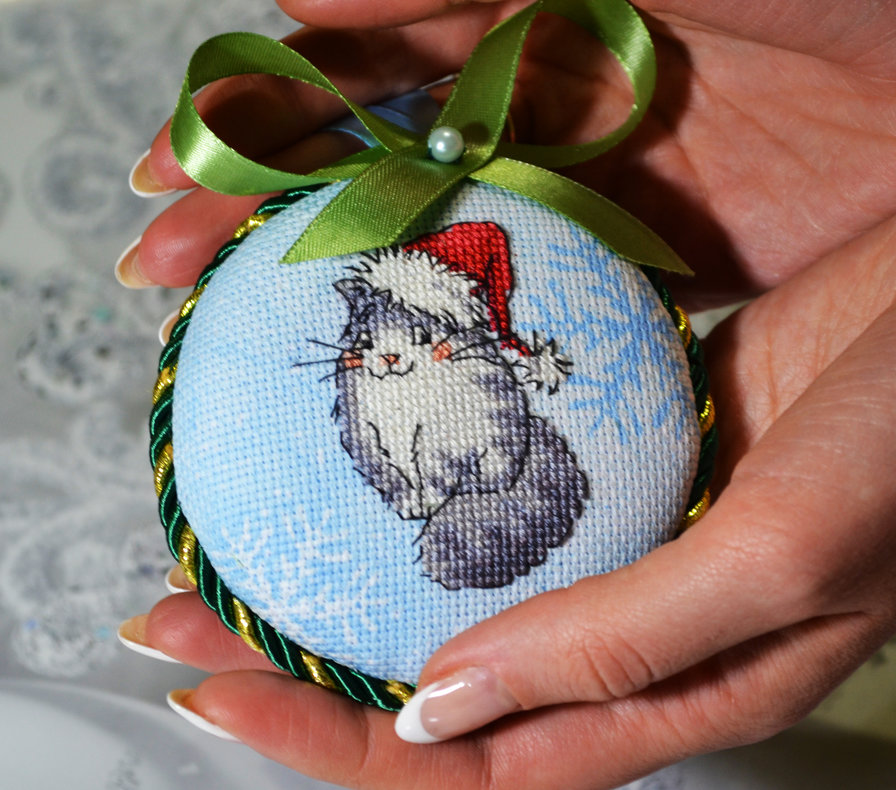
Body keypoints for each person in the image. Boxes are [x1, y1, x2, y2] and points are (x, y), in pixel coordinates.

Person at [115, 1, 896, 787]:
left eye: (411, 340)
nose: (387, 358)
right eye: (374, 344)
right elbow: (370, 446)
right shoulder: (360, 377)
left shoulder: (481, 375)